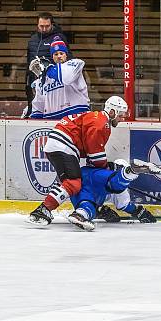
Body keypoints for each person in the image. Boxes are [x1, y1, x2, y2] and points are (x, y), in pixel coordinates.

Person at [25, 95, 129, 226]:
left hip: (58, 144)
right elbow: (95, 154)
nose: (121, 119)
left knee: (70, 183)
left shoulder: (97, 118)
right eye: (120, 115)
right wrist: (107, 171)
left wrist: (101, 165)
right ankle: (42, 210)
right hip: (63, 145)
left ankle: (94, 209)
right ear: (112, 112)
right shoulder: (101, 123)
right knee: (73, 183)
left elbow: (91, 153)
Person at [66, 159, 161, 231]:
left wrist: (100, 211)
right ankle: (130, 172)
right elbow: (123, 204)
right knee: (91, 205)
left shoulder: (96, 169)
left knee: (86, 204)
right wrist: (138, 211)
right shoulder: (109, 177)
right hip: (96, 184)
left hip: (77, 180)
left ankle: (80, 214)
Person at [28, 37, 89, 119]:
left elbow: (66, 78)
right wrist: (35, 119)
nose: (59, 56)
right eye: (56, 54)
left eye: (61, 53)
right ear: (52, 57)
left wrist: (49, 70)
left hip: (75, 116)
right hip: (52, 118)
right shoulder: (45, 76)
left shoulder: (75, 64)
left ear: (66, 55)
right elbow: (39, 102)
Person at [25, 12, 67, 117]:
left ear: (52, 24)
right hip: (35, 77)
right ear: (37, 25)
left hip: (52, 78)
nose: (44, 29)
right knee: (34, 104)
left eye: (47, 26)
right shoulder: (33, 39)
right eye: (41, 26)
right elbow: (29, 58)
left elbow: (66, 57)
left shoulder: (58, 37)